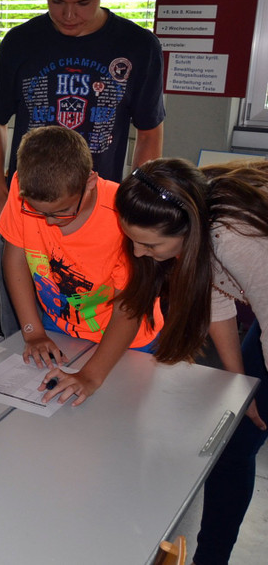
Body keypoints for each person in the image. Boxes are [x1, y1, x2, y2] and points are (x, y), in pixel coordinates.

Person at [0, 0, 166, 338]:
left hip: (98, 214)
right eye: (56, 1)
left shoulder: (138, 46)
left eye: (83, 2)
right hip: (28, 208)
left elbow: (149, 133)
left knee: (97, 321)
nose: (68, 15)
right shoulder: (19, 43)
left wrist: (136, 203)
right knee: (24, 329)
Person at [116, 158, 268, 565]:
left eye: (150, 245)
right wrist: (241, 387)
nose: (138, 252)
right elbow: (218, 302)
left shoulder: (234, 240)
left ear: (186, 229)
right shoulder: (198, 212)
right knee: (234, 440)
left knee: (237, 446)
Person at [0, 126, 161, 406]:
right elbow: (16, 254)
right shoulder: (25, 188)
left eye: (62, 211)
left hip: (127, 339)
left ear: (90, 181)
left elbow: (129, 307)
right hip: (60, 326)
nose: (49, 221)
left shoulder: (123, 216)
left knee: (115, 413)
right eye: (37, 211)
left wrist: (91, 376)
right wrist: (33, 331)